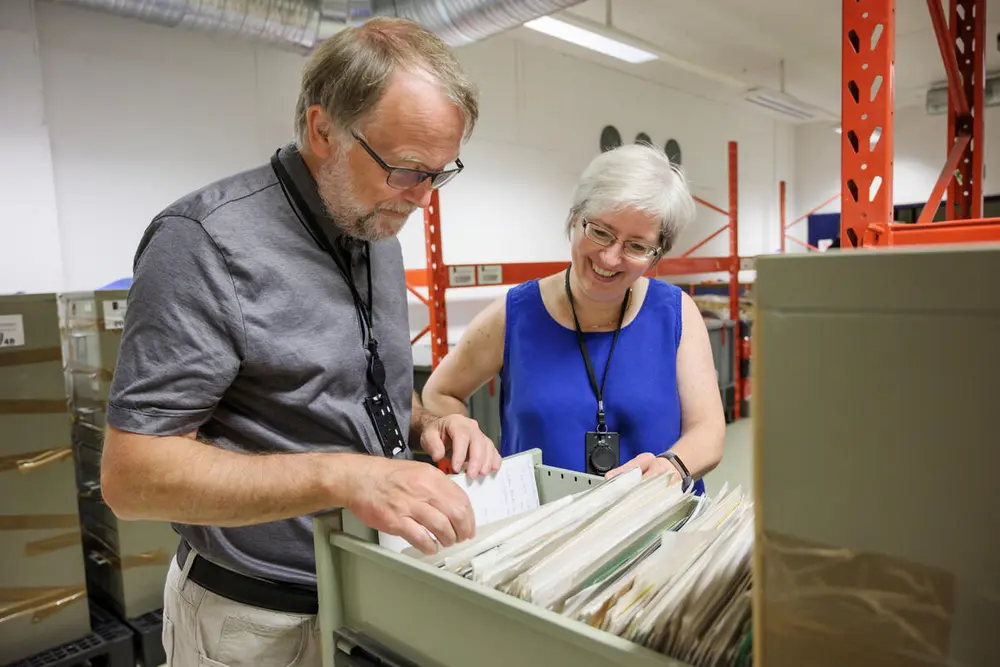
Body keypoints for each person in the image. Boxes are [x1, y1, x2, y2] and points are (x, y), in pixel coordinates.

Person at [100, 18, 501, 667]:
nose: (422, 200)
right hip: (253, 622)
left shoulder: (377, 230)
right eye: (404, 169)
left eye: (439, 173)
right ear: (322, 130)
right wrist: (343, 475)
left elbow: (345, 390)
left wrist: (429, 421)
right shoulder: (205, 242)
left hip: (370, 591)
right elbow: (132, 477)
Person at [421, 143, 726, 493]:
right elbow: (439, 392)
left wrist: (671, 467)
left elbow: (709, 429)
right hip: (546, 533)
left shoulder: (676, 313)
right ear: (575, 218)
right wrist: (464, 431)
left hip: (658, 529)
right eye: (600, 231)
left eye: (637, 246)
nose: (611, 258)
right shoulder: (514, 315)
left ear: (657, 253)